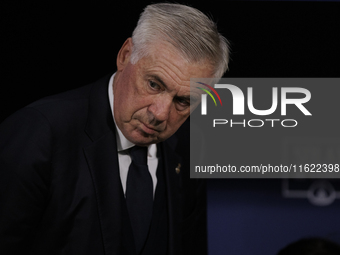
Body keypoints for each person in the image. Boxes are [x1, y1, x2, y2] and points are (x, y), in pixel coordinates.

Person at [0, 3, 229, 255]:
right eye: (154, 84)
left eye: (183, 101)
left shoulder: (187, 149)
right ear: (125, 55)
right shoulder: (39, 133)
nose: (160, 114)